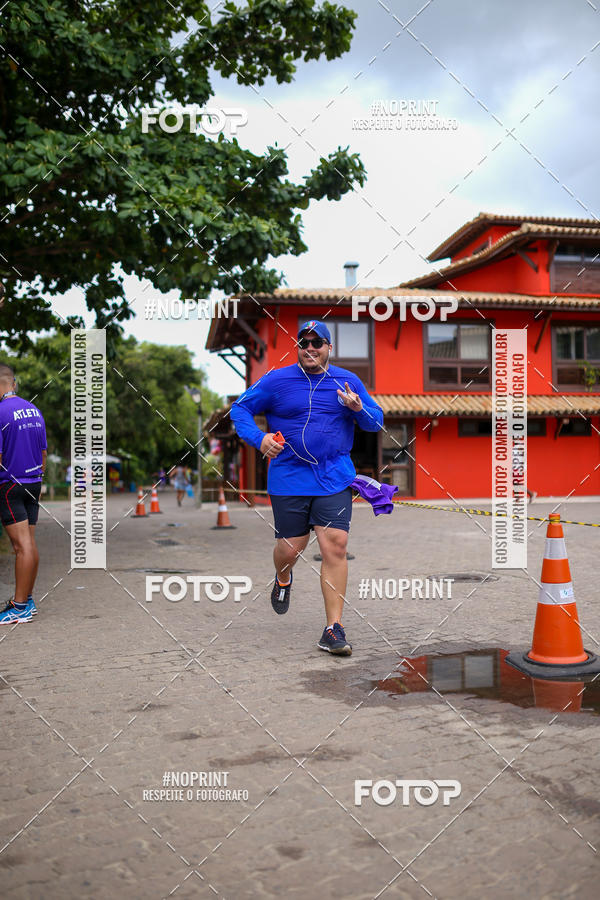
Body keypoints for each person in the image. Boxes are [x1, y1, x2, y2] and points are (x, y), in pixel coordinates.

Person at [230, 320, 383, 656]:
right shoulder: (277, 380)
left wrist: (358, 408)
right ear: (297, 346)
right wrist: (260, 438)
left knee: (336, 546)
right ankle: (283, 578)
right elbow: (240, 408)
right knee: (290, 549)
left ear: (329, 348)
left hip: (334, 477)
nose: (310, 348)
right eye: (304, 342)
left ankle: (333, 628)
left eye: (318, 343)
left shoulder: (347, 381)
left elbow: (376, 421)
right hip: (289, 478)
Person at [0, 364, 47, 624]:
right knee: (29, 542)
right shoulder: (35, 410)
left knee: (20, 547)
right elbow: (43, 453)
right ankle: (26, 599)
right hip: (34, 482)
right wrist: (37, 479)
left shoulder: (0, 413)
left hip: (10, 486)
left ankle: (19, 607)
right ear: (14, 383)